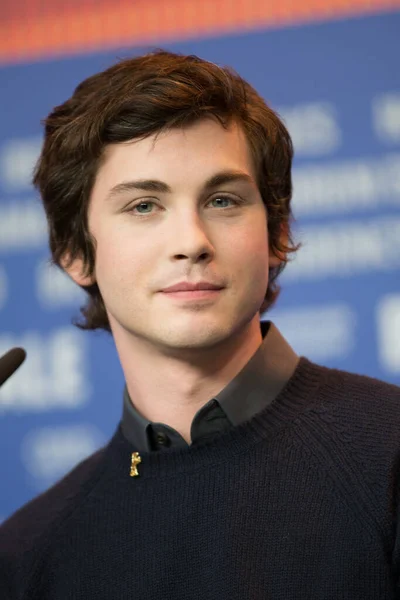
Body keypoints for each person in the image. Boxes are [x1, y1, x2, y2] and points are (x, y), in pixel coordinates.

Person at [0, 49, 400, 600]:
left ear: (277, 231)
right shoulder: (25, 554)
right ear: (74, 251)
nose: (192, 242)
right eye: (144, 206)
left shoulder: (390, 453)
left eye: (222, 199)